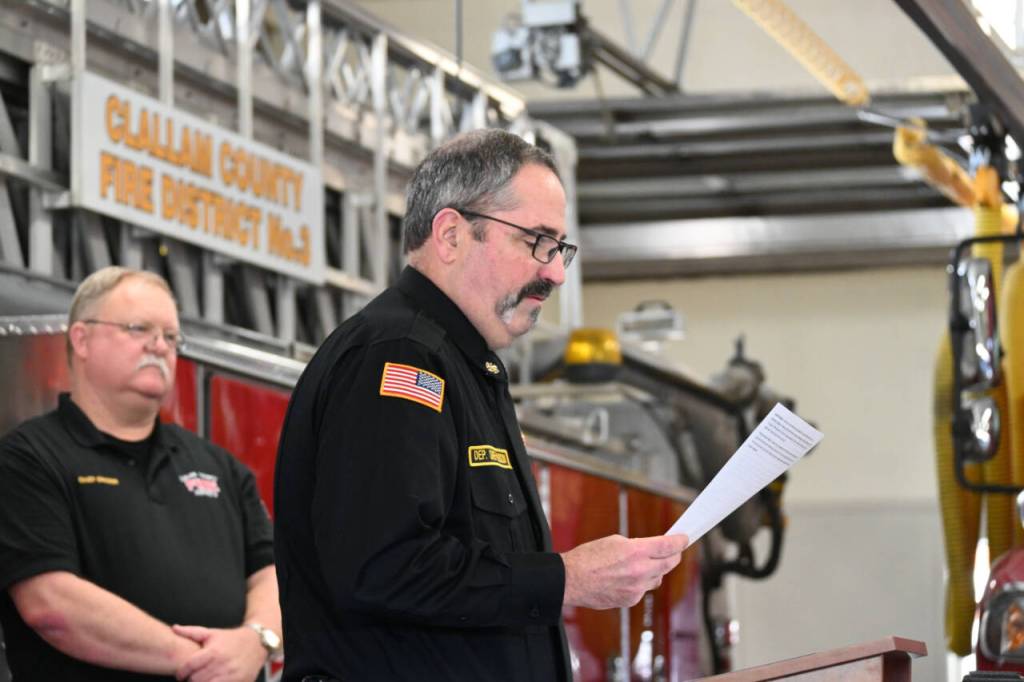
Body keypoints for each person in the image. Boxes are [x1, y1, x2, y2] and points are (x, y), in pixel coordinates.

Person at [273, 129, 689, 681]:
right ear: (450, 235)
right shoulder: (400, 357)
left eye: (560, 247)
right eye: (537, 241)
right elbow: (384, 567)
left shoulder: (466, 366)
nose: (555, 272)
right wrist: (565, 579)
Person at [0, 266, 282, 682]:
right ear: (81, 339)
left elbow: (272, 573)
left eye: (170, 337)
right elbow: (50, 603)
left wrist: (257, 640)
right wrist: (197, 660)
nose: (159, 346)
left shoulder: (220, 467)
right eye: (139, 329)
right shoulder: (29, 458)